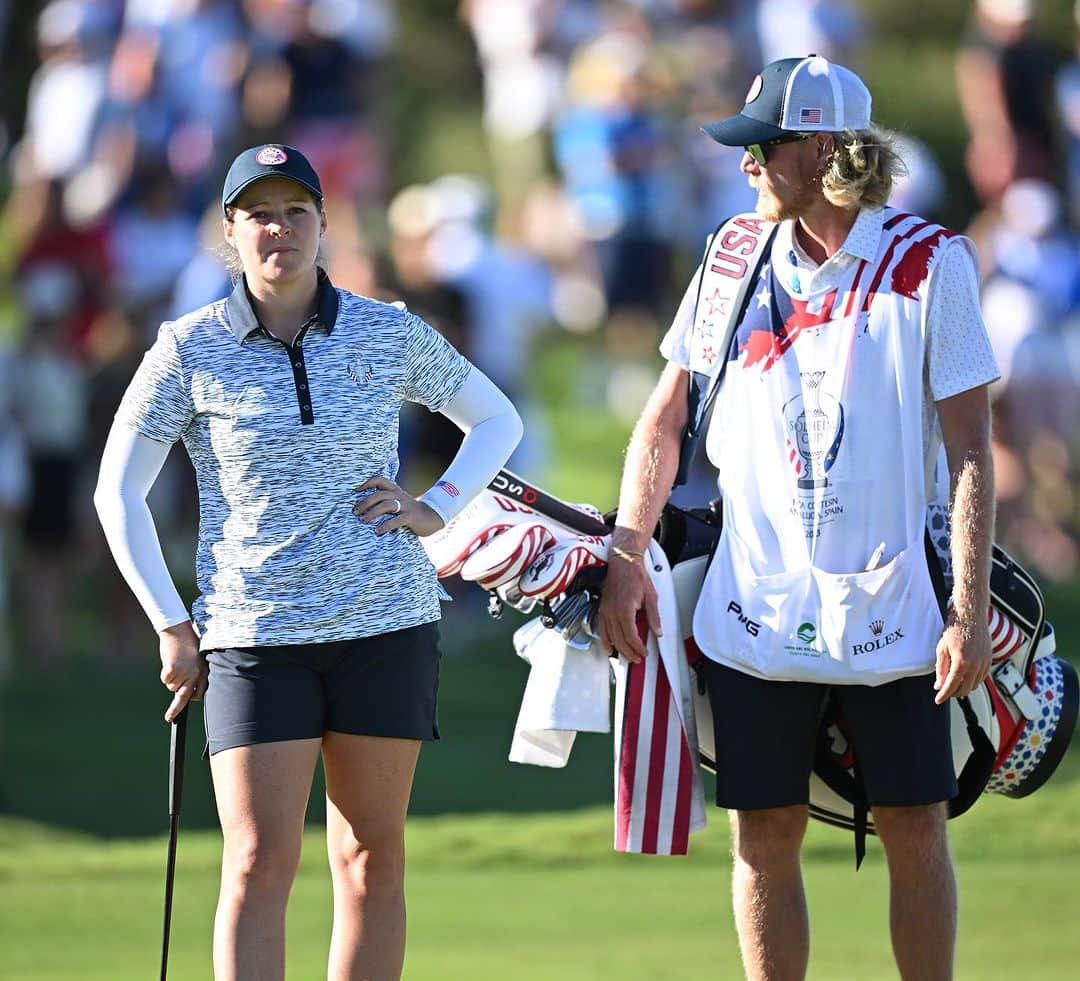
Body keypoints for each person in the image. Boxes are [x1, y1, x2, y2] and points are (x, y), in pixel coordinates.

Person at [597, 56, 998, 981]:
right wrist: (625, 552)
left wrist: (966, 611)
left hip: (895, 607)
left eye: (763, 147)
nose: (746, 166)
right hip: (752, 608)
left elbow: (972, 447)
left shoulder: (931, 262)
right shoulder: (731, 252)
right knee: (762, 830)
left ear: (825, 151)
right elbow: (663, 418)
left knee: (913, 823)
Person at [93, 143, 522, 981]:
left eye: (296, 211)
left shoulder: (386, 329)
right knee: (256, 861)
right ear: (231, 231)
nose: (279, 229)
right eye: (259, 213)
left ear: (324, 224)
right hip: (254, 634)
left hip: (385, 627)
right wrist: (170, 623)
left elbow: (494, 418)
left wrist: (436, 506)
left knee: (371, 855)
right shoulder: (188, 349)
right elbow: (118, 492)